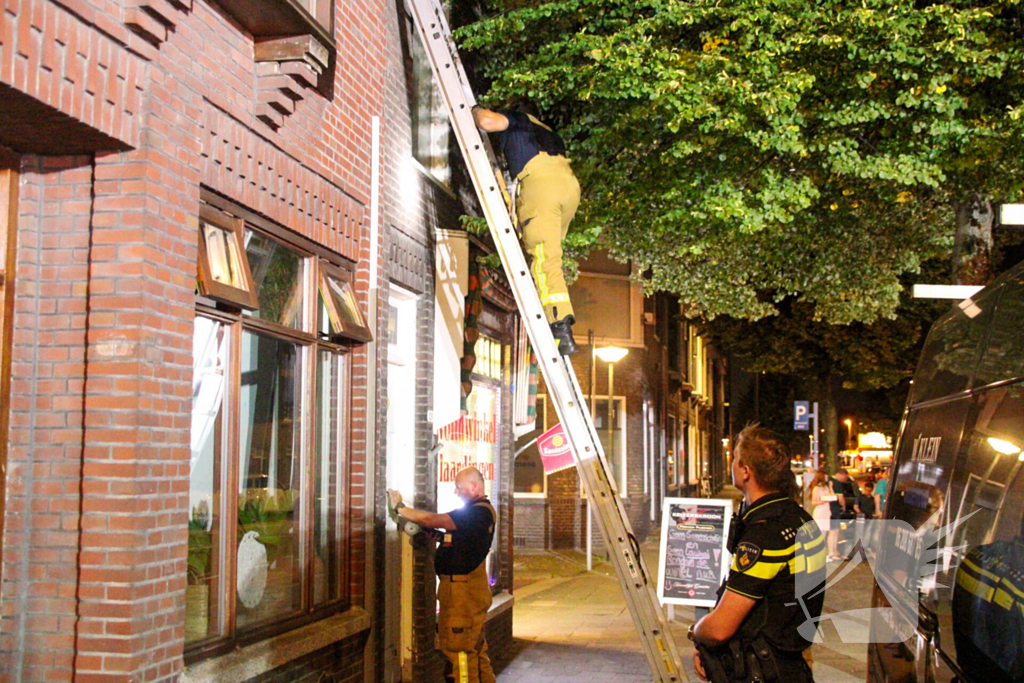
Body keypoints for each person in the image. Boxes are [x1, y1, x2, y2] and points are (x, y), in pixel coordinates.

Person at [690, 425, 827, 683]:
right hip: (793, 664)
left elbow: (720, 628)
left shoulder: (764, 535)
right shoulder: (800, 520)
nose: (732, 464)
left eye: (735, 458)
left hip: (763, 672)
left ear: (745, 471)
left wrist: (697, 632)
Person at [472, 105, 582, 355]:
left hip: (541, 185)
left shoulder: (518, 121)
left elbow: (488, 121)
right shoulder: (549, 133)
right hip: (568, 188)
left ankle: (559, 327)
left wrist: (474, 110)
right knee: (550, 255)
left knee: (544, 259)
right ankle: (556, 315)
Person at [388, 468, 497, 683]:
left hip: (461, 594)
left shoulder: (478, 512)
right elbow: (459, 540)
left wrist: (400, 508)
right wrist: (436, 535)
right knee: (475, 649)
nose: (456, 492)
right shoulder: (481, 514)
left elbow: (432, 518)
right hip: (469, 591)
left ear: (474, 486)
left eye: (459, 487)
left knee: (459, 653)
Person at [828, 468, 855, 561]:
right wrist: (843, 507)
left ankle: (833, 552)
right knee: (834, 532)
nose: (845, 480)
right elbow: (841, 498)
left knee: (832, 532)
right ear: (842, 475)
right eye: (845, 478)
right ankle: (833, 553)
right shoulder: (837, 483)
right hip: (834, 509)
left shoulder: (828, 480)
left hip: (827, 510)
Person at [809, 469, 834, 537]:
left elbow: (832, 496)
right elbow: (813, 502)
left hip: (826, 511)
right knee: (819, 532)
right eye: (825, 477)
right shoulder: (816, 488)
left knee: (825, 532)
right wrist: (823, 501)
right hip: (820, 511)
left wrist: (831, 488)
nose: (827, 478)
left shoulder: (826, 487)